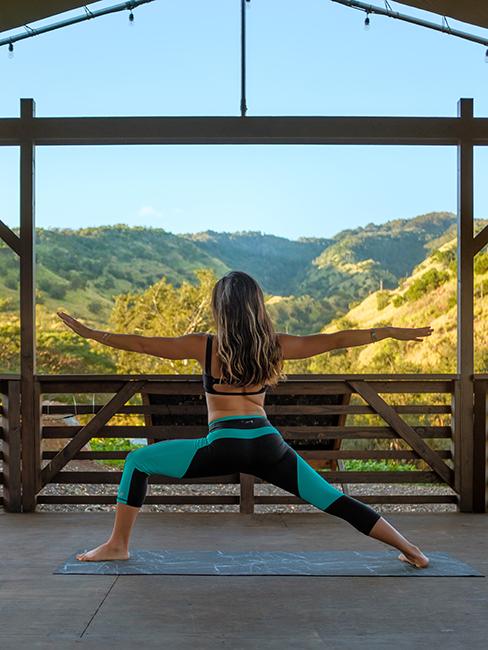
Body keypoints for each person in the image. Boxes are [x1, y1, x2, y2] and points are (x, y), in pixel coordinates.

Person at [57, 270, 432, 568]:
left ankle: (118, 545)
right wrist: (387, 332)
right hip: (269, 445)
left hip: (222, 445)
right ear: (257, 305)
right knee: (333, 499)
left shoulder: (204, 345)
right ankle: (410, 547)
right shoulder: (276, 345)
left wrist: (90, 333)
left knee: (137, 461)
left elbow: (141, 343)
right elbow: (335, 340)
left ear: (221, 308)